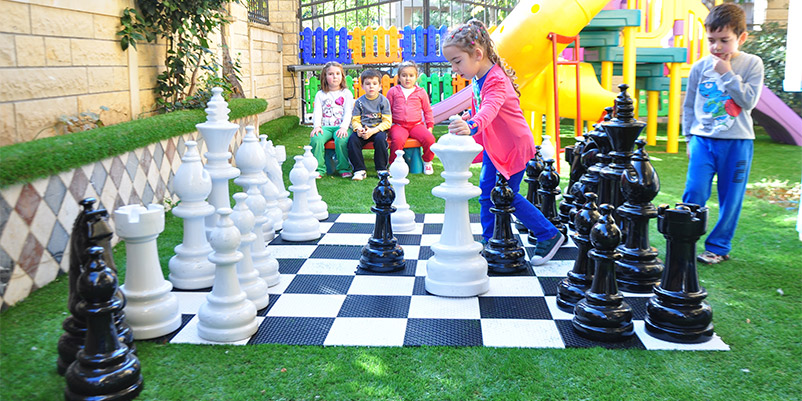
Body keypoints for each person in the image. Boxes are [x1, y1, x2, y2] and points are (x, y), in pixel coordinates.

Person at [443, 19, 563, 265]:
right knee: (488, 194)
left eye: (457, 61)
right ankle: (491, 240)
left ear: (478, 54)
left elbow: (490, 108)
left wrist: (472, 125)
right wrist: (469, 117)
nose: (454, 69)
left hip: (513, 146)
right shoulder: (479, 77)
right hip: (496, 146)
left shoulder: (495, 79)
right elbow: (482, 107)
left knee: (505, 194)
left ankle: (548, 234)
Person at [681, 3, 764, 265]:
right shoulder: (699, 67)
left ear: (741, 37)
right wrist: (689, 138)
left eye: (724, 40)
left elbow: (748, 101)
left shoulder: (752, 64)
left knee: (731, 198)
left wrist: (727, 74)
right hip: (702, 141)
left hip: (738, 143)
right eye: (711, 40)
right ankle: (684, 240)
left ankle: (718, 247)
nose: (717, 47)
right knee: (694, 191)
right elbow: (689, 105)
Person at [386, 61, 437, 175]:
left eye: (411, 75)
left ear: (416, 77)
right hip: (398, 125)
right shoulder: (393, 91)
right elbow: (387, 111)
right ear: (399, 77)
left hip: (416, 125)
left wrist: (429, 127)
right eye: (404, 75)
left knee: (430, 139)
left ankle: (427, 162)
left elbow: (427, 110)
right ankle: (393, 164)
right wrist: (388, 127)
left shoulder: (421, 92)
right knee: (398, 140)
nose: (407, 78)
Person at [309, 61, 355, 178]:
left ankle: (343, 168)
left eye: (337, 74)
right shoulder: (320, 94)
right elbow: (317, 112)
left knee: (341, 140)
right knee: (316, 139)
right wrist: (317, 127)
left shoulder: (346, 93)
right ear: (325, 76)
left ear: (342, 76)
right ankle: (319, 169)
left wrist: (344, 127)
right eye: (330, 74)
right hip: (325, 127)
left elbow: (348, 112)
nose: (335, 76)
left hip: (341, 126)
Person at [348, 69, 392, 181]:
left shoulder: (383, 101)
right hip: (363, 130)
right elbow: (355, 120)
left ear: (380, 86)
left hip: (378, 129)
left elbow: (387, 121)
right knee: (353, 140)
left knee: (381, 140)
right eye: (367, 84)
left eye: (374, 83)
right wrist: (358, 129)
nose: (371, 86)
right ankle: (359, 170)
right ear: (362, 86)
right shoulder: (359, 102)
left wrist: (373, 131)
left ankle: (382, 169)